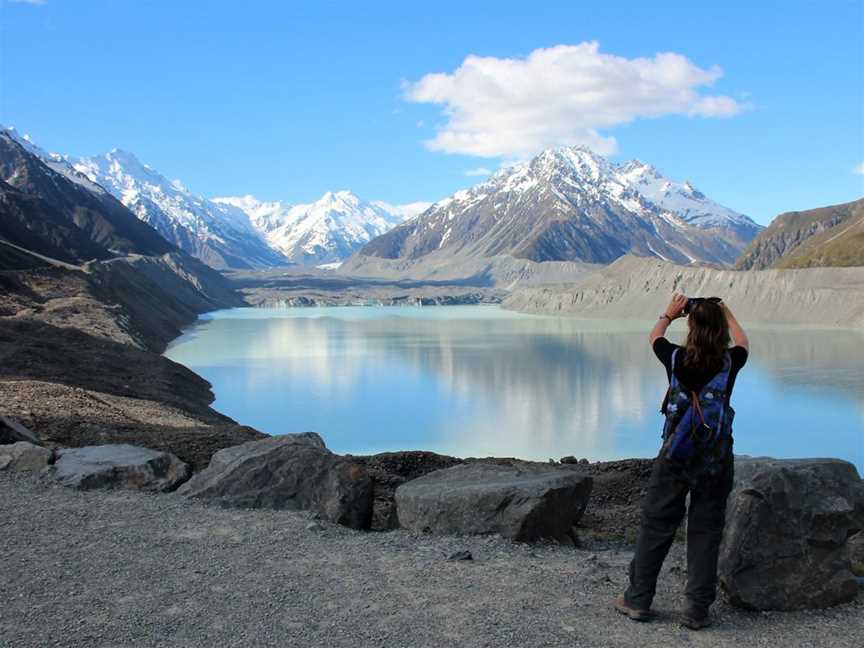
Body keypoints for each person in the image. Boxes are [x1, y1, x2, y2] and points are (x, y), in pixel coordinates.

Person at [614, 292, 749, 630]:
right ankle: (696, 610)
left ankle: (638, 600)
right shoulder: (730, 362)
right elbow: (743, 340)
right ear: (720, 329)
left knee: (657, 525)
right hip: (716, 459)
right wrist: (725, 311)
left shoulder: (675, 359)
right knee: (705, 531)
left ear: (690, 324)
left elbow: (654, 337)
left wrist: (669, 313)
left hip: (675, 455)